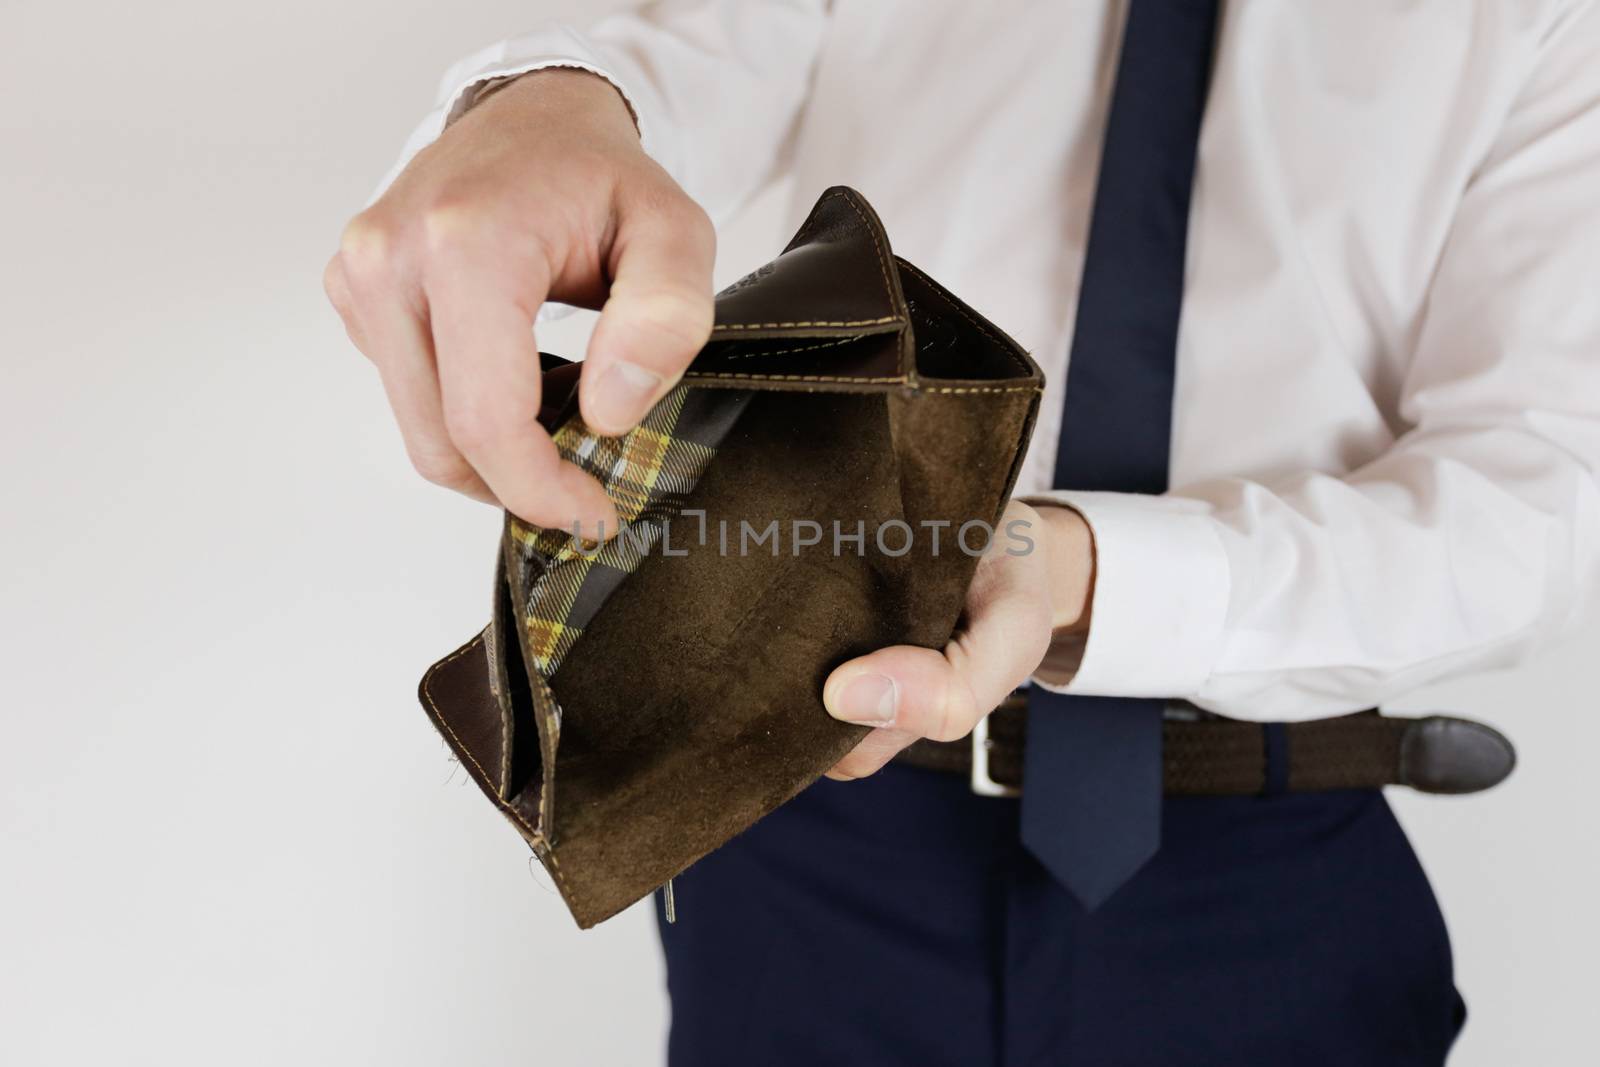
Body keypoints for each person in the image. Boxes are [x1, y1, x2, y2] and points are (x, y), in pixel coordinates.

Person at [324, 2, 1600, 1063]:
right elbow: (671, 42)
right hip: (807, 838)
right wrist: (552, 101)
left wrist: (1075, 571)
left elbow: (1536, 495)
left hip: (1267, 885)